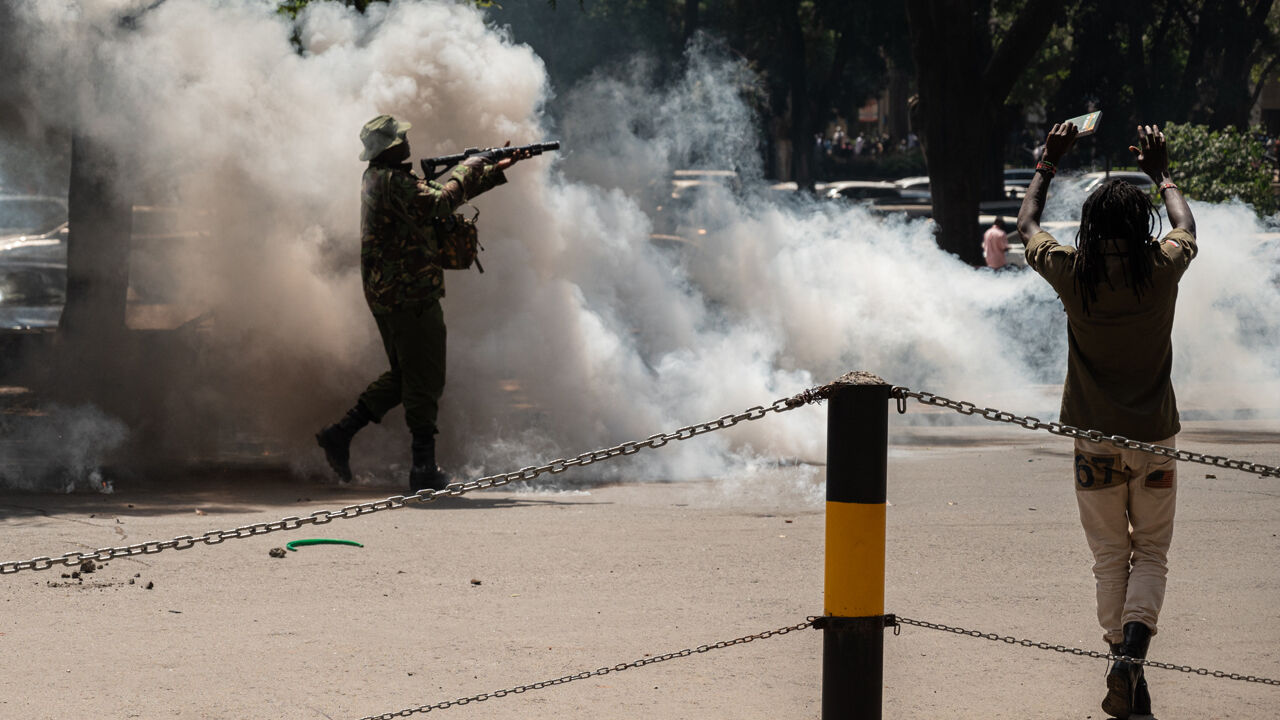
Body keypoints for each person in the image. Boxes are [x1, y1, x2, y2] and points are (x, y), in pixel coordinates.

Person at [1017, 123, 1196, 720]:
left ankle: (1125, 665)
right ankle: (1132, 664)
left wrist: (1048, 160)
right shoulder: (1161, 269)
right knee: (1150, 553)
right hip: (1155, 439)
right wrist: (1161, 172)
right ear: (1139, 224)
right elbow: (1185, 228)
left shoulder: (1073, 272)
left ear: (1091, 228)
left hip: (1094, 438)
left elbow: (1027, 225)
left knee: (1106, 557)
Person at [316, 115, 527, 493]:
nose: (408, 141)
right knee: (425, 377)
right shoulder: (394, 183)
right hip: (409, 293)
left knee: (407, 375)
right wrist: (472, 166)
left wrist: (490, 170)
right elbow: (440, 202)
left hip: (390, 292)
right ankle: (423, 468)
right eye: (401, 138)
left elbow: (436, 201)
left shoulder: (379, 178)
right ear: (390, 147)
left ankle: (340, 433)